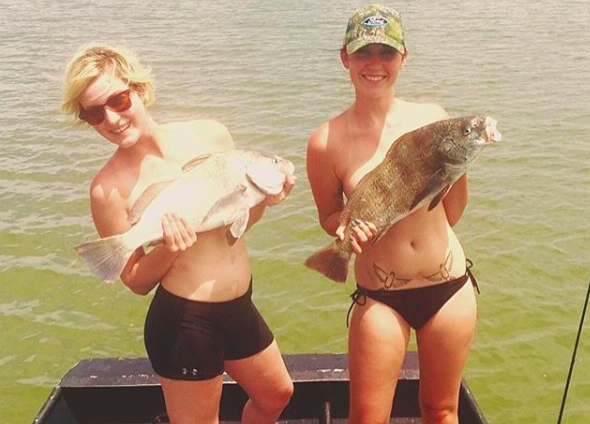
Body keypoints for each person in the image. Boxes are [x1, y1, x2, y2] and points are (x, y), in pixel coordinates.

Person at [62, 44, 295, 424]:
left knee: (276, 395)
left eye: (119, 100)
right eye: (94, 113)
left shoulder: (211, 135)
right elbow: (136, 280)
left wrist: (264, 202)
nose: (112, 119)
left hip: (240, 307)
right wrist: (170, 249)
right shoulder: (107, 189)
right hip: (186, 324)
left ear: (140, 90)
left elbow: (235, 228)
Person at [307, 5, 478, 424]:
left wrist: (453, 168)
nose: (375, 65)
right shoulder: (325, 141)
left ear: (404, 57)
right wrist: (346, 229)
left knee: (442, 411)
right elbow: (329, 216)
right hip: (381, 297)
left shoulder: (433, 119)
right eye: (363, 53)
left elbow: (453, 214)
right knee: (367, 418)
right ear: (345, 58)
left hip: (449, 289)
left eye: (386, 53)